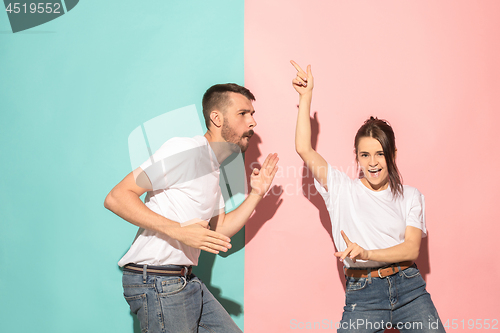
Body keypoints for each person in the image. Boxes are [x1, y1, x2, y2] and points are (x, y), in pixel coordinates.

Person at [104, 83, 279, 333]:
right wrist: (179, 231)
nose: (252, 123)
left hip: (183, 281)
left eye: (252, 115)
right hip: (157, 280)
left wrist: (257, 194)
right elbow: (117, 197)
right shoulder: (186, 150)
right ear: (216, 118)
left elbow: (219, 231)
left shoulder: (211, 167)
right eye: (243, 113)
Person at [291, 61, 445, 333]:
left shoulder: (411, 196)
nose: (372, 163)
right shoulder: (341, 189)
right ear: (357, 158)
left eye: (380, 153)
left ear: (392, 155)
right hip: (363, 293)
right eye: (365, 155)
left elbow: (411, 249)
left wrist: (366, 252)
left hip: (409, 287)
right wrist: (306, 98)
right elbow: (304, 149)